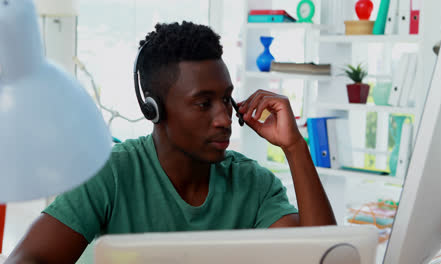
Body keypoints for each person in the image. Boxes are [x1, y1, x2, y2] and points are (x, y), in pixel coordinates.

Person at [6, 21, 335, 264]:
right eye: (203, 103)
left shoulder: (252, 183)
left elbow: (323, 257)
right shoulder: (112, 172)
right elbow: (28, 258)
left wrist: (295, 148)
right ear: (154, 109)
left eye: (226, 99)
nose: (223, 118)